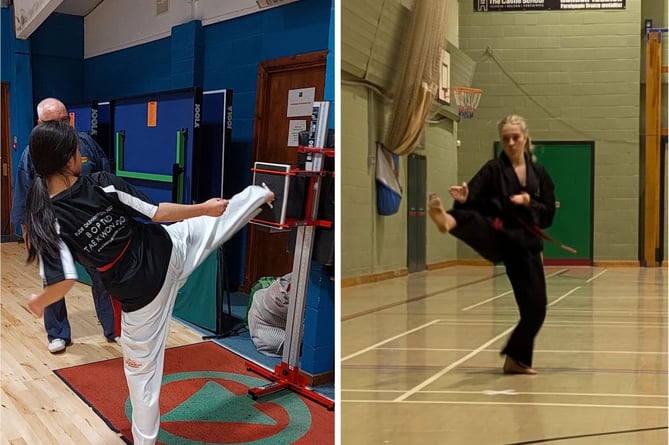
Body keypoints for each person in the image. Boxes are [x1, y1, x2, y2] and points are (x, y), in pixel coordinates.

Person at [23, 121, 274, 445]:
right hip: (169, 252)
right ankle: (261, 194)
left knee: (141, 376)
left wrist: (39, 302)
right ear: (65, 159)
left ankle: (145, 442)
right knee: (211, 227)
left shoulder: (48, 218)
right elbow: (157, 213)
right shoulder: (100, 184)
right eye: (77, 150)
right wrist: (205, 209)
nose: (82, 155)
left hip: (142, 296)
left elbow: (66, 280)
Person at [428, 114, 556, 375]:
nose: (510, 142)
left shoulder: (539, 173)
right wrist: (465, 196)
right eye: (505, 138)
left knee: (535, 308)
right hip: (501, 237)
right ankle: (448, 221)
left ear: (525, 138)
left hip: (528, 245)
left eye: (515, 137)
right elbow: (472, 195)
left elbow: (549, 213)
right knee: (471, 215)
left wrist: (528, 201)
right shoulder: (492, 168)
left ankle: (516, 360)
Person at [10, 97, 118, 353]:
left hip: (88, 224)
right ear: (39, 123)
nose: (59, 126)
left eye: (63, 120)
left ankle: (112, 327)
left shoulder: (86, 144)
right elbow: (25, 192)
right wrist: (26, 231)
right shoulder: (32, 153)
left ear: (69, 118)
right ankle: (57, 334)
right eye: (52, 122)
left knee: (103, 276)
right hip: (51, 227)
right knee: (54, 280)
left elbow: (106, 178)